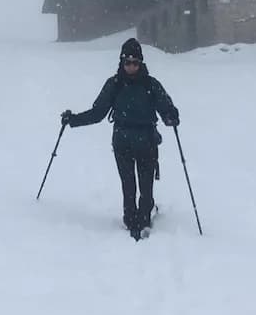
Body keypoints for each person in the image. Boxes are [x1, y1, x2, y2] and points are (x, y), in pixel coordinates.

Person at [61, 38, 179, 238]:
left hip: (145, 140)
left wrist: (171, 116)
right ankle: (132, 219)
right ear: (121, 62)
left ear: (141, 63)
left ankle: (143, 217)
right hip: (125, 139)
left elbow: (166, 108)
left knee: (146, 184)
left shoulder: (150, 85)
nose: (131, 66)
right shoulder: (116, 84)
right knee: (128, 184)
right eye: (128, 62)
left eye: (135, 62)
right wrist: (73, 120)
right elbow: (98, 113)